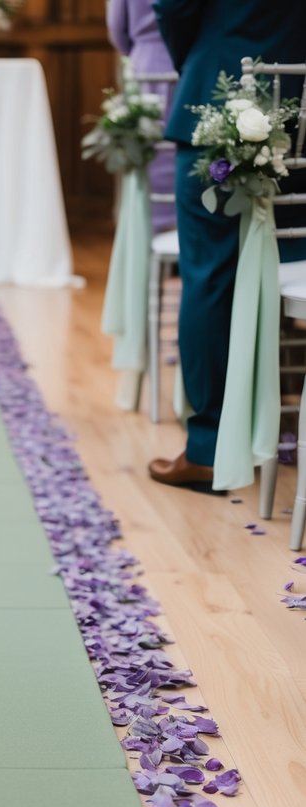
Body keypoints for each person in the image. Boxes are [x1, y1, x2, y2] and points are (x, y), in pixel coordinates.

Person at [149, 0, 306, 490]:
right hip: (301, 109)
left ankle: (210, 449)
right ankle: (286, 425)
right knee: (290, 260)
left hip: (215, 98)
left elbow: (173, 8)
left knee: (210, 276)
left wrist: (203, 56)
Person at [106, 0, 176, 231]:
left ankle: (144, 230)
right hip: (184, 61)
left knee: (145, 149)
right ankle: (180, 232)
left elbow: (116, 27)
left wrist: (139, 49)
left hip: (145, 63)